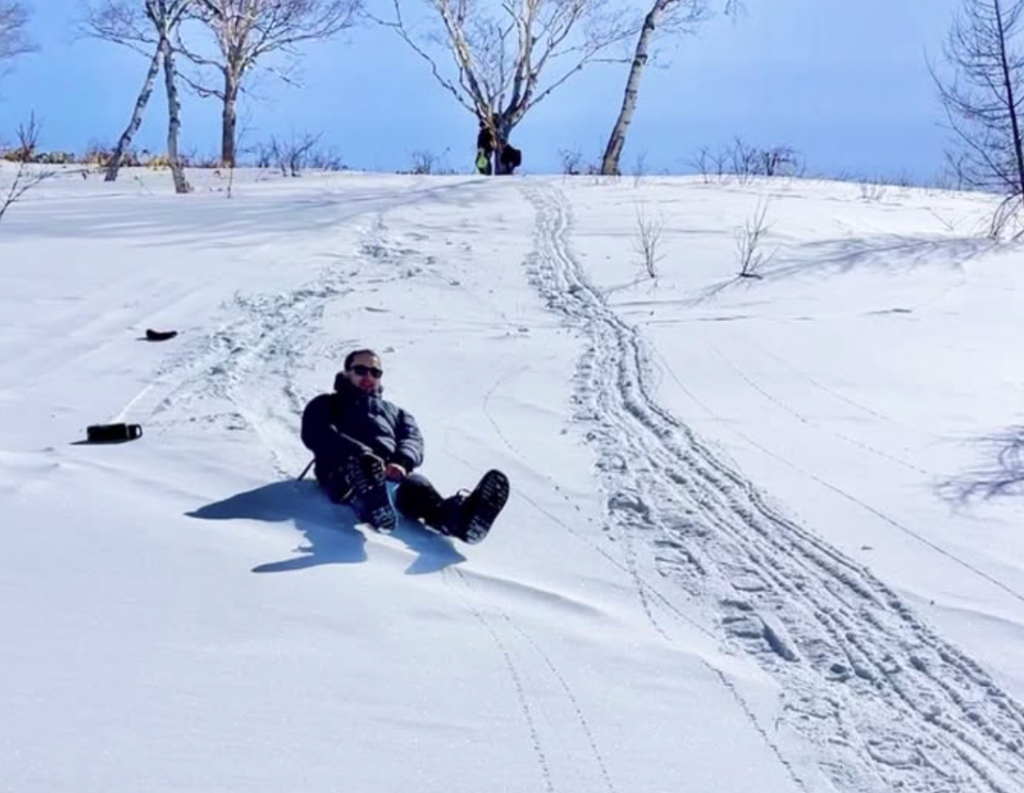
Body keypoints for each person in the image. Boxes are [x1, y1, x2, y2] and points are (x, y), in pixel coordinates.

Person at [301, 349, 509, 543]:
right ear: (347, 373)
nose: (369, 376)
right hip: (345, 470)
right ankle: (370, 506)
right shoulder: (326, 403)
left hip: (391, 475)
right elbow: (317, 433)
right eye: (361, 370)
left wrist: (401, 462)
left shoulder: (397, 413)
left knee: (418, 487)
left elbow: (412, 439)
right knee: (363, 469)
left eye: (375, 372)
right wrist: (362, 454)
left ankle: (460, 520)